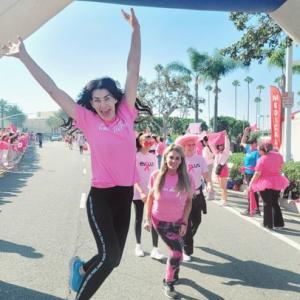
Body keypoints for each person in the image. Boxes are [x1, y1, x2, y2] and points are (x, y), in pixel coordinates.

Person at [2, 9, 151, 300]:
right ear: (91, 104)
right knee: (109, 258)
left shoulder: (126, 113)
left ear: (115, 97)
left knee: (115, 260)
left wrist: (136, 31)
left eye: (107, 97)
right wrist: (24, 56)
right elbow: (53, 89)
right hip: (102, 198)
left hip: (124, 197)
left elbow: (132, 69)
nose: (102, 104)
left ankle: (81, 269)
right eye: (96, 100)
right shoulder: (87, 120)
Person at [145, 144, 194, 299]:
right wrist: (147, 220)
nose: (173, 161)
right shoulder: (156, 175)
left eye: (177, 158)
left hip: (178, 221)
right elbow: (150, 199)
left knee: (177, 253)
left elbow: (188, 202)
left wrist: (185, 222)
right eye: (171, 157)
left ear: (181, 160)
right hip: (160, 221)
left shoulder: (187, 178)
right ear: (165, 158)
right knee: (177, 253)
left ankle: (173, 272)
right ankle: (168, 282)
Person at [175, 134, 212, 262]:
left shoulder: (200, 159)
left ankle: (184, 236)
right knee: (186, 221)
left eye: (192, 145)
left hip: (197, 194)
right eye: (188, 145)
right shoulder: (179, 159)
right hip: (184, 196)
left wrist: (209, 184)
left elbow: (206, 174)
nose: (191, 147)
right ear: (183, 146)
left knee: (197, 221)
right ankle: (186, 250)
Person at [133, 132, 164, 260]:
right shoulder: (135, 156)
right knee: (139, 218)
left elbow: (157, 174)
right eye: (146, 139)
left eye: (150, 139)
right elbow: (132, 176)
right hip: (137, 193)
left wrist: (157, 190)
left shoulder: (153, 156)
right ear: (140, 142)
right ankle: (138, 246)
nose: (149, 141)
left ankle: (155, 249)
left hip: (152, 192)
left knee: (154, 219)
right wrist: (140, 191)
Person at [248, 142, 289, 230]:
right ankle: (279, 224)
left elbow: (257, 173)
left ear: (263, 150)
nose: (258, 152)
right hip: (277, 180)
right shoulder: (278, 156)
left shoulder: (262, 159)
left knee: (267, 203)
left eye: (259, 150)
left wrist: (251, 183)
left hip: (265, 182)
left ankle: (267, 224)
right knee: (275, 202)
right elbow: (282, 166)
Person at [240, 128, 261, 216]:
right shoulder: (249, 149)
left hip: (252, 174)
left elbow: (259, 165)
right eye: (249, 144)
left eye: (252, 144)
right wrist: (245, 133)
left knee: (252, 191)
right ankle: (255, 210)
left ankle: (251, 209)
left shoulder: (257, 153)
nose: (250, 146)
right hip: (247, 173)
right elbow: (242, 142)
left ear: (255, 144)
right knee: (251, 191)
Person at [211, 132, 230, 206]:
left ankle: (225, 200)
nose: (220, 146)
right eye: (219, 145)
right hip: (218, 170)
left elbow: (227, 145)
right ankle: (222, 199)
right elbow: (211, 145)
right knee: (220, 186)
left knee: (223, 186)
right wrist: (210, 136)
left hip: (223, 170)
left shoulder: (225, 152)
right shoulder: (217, 153)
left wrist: (226, 137)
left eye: (222, 145)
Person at [201, 135, 216, 200]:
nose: (203, 142)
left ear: (205, 141)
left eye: (203, 141)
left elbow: (205, 158)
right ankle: (210, 193)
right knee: (208, 180)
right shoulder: (211, 147)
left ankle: (211, 194)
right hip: (209, 164)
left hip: (207, 165)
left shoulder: (207, 148)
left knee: (208, 180)